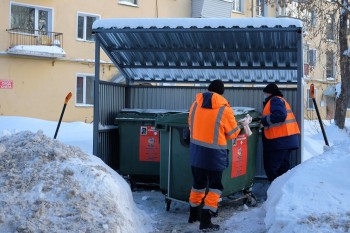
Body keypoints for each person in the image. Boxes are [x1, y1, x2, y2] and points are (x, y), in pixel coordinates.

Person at [187, 79, 250, 231]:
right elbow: (233, 134)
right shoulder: (224, 109)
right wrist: (244, 124)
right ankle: (206, 219)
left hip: (196, 152)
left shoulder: (195, 104)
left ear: (208, 89)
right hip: (214, 156)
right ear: (222, 93)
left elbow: (190, 124)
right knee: (215, 187)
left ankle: (193, 215)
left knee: (198, 184)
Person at [260, 83, 300, 182]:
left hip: (280, 141)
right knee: (283, 169)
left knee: (272, 168)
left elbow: (280, 115)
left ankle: (276, 192)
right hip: (286, 140)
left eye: (265, 94)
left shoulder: (275, 100)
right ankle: (282, 192)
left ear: (269, 93)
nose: (265, 96)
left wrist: (263, 121)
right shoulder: (280, 100)